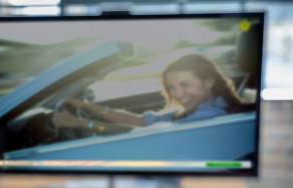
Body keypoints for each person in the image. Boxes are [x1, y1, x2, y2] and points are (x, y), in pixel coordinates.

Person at [52, 54, 244, 130]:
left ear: (208, 81)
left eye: (185, 84)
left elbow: (137, 132)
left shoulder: (212, 115)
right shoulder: (203, 105)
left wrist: (80, 123)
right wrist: (84, 105)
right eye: (172, 88)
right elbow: (142, 121)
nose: (178, 94)